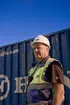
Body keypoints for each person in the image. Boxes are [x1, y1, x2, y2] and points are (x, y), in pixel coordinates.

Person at [27, 35, 65, 105]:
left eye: (38, 47)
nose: (35, 50)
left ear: (47, 48)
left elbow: (60, 92)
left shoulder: (52, 64)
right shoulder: (35, 68)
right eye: (34, 48)